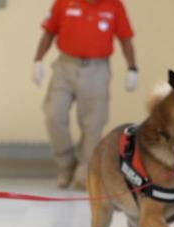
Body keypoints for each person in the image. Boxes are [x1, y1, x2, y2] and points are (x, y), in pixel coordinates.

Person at [32, 0, 138, 190]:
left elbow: (125, 38)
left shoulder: (114, 5)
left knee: (94, 123)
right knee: (54, 114)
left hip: (97, 69)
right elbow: (49, 31)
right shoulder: (63, 3)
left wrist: (132, 68)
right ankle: (66, 165)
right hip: (65, 66)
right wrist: (38, 60)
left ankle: (84, 170)